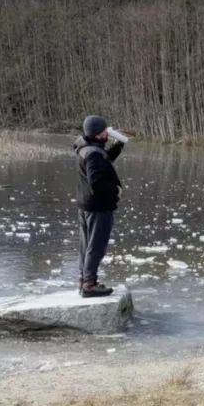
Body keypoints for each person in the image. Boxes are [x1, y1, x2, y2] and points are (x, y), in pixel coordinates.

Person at [74, 115, 124, 298]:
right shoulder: (93, 154)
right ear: (97, 133)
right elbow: (96, 181)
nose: (107, 133)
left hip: (87, 205)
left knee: (86, 245)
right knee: (96, 246)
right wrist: (115, 191)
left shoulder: (87, 149)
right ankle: (89, 285)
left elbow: (104, 161)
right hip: (98, 207)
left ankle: (85, 280)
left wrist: (118, 145)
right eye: (104, 131)